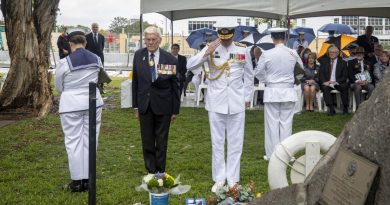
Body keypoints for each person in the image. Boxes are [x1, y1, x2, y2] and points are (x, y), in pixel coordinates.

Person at [187, 20, 253, 192]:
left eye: (227, 37)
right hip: (216, 102)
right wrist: (205, 53)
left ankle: (233, 179)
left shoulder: (242, 49)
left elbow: (249, 76)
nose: (224, 40)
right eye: (222, 37)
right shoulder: (210, 48)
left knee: (236, 142)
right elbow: (190, 65)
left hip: (236, 102)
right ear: (218, 34)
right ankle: (219, 178)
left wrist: (247, 97)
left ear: (233, 34)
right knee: (217, 142)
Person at [55, 30, 104, 192]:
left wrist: (68, 92)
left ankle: (77, 181)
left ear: (70, 44)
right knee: (90, 140)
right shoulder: (96, 59)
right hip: (92, 102)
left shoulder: (64, 62)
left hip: (71, 104)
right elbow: (99, 78)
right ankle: (88, 179)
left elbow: (59, 85)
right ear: (85, 43)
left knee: (73, 142)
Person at [132, 26, 180, 176]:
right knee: (147, 140)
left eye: (153, 39)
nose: (150, 42)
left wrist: (175, 110)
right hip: (144, 105)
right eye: (148, 39)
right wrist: (135, 107)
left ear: (160, 40)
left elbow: (175, 86)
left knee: (161, 140)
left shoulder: (170, 58)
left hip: (164, 105)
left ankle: (160, 170)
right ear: (144, 40)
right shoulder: (138, 55)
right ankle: (151, 171)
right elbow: (136, 82)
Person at [254, 28, 303, 161]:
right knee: (286, 123)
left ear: (272, 38)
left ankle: (272, 154)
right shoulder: (293, 53)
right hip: (288, 91)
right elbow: (301, 70)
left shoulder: (267, 54)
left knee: (272, 124)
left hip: (272, 92)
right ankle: (287, 153)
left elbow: (258, 72)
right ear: (285, 38)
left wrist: (268, 80)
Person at [319, 45, 349, 116]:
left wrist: (336, 82)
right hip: (328, 82)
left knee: (344, 87)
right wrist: (325, 82)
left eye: (333, 52)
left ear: (337, 53)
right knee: (325, 88)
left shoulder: (343, 63)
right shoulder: (324, 62)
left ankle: (345, 108)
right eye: (330, 52)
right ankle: (331, 109)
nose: (331, 54)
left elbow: (345, 76)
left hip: (338, 82)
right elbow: (320, 74)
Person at [85, 23, 107, 94]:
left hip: (100, 57)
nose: (95, 28)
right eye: (94, 27)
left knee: (101, 72)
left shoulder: (101, 37)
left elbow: (102, 47)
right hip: (90, 58)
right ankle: (92, 88)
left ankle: (101, 87)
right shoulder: (87, 37)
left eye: (96, 27)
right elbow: (86, 48)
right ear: (91, 28)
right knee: (91, 73)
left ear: (98, 28)